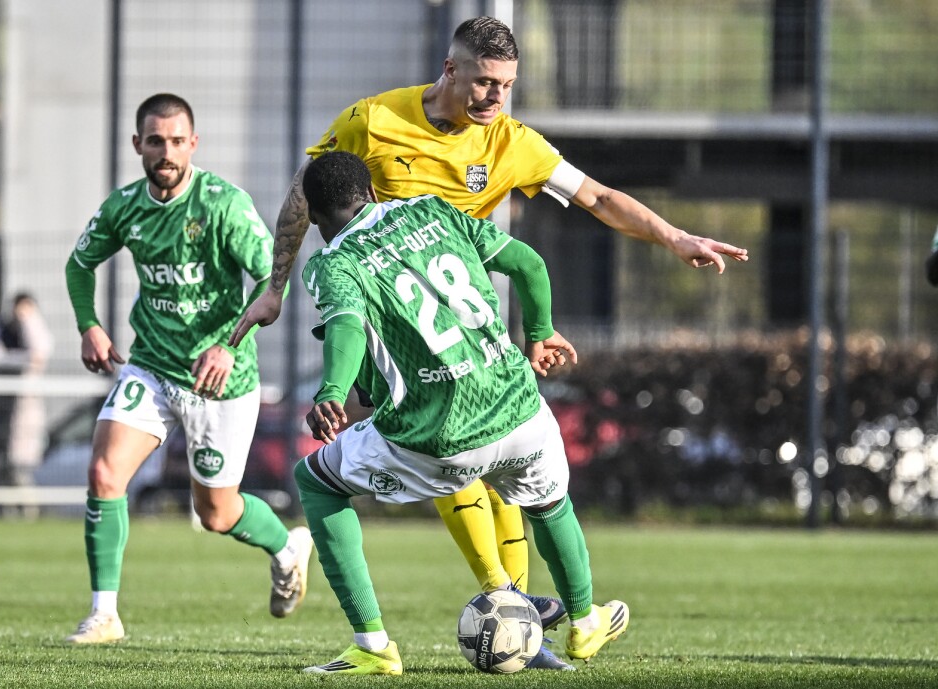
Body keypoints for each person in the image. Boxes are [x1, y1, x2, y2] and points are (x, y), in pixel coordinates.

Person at [229, 15, 748, 640]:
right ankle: (513, 601)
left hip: (465, 314)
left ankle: (516, 608)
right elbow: (307, 193)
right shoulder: (374, 119)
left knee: (493, 466)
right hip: (386, 324)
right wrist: (276, 285)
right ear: (450, 70)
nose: (495, 98)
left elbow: (599, 197)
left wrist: (673, 236)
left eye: (506, 85)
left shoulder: (511, 142)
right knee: (461, 451)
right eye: (484, 82)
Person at [294, 151, 628, 675]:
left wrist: (330, 391)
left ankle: (374, 646)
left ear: (313, 216)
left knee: (315, 481)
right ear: (374, 193)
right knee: (549, 503)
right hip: (520, 414)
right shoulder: (434, 211)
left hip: (439, 439)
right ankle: (585, 621)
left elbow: (347, 328)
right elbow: (529, 264)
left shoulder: (334, 263)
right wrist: (539, 332)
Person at [62, 93, 314, 644]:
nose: (167, 151)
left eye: (177, 141)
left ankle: (288, 547)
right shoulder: (124, 207)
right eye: (156, 141)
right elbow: (80, 264)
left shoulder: (223, 204)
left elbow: (274, 276)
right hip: (151, 365)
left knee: (218, 513)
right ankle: (105, 613)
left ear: (193, 144)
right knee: (105, 474)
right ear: (138, 146)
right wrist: (90, 324)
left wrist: (229, 344)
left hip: (219, 380)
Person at [0, 291, 53, 487]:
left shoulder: (35, 328)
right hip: (1, 404)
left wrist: (29, 321)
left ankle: (27, 511)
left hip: (24, 405)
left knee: (22, 466)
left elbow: (39, 353)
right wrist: (19, 358)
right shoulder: (3, 327)